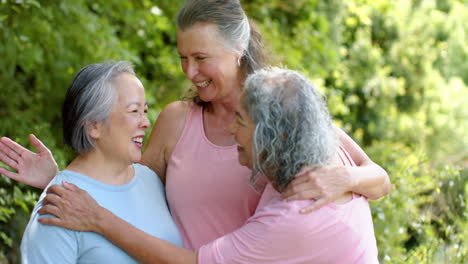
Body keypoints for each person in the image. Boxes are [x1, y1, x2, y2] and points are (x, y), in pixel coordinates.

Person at [0, 0, 390, 251]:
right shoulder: (175, 120)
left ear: (238, 51)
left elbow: (380, 180)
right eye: (183, 57)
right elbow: (128, 185)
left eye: (201, 57)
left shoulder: (283, 112)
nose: (190, 72)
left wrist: (346, 178)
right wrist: (64, 180)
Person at [36, 67, 380, 263]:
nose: (231, 130)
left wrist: (96, 217)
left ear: (274, 137)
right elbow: (380, 176)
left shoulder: (293, 218)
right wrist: (62, 180)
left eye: (241, 121)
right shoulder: (315, 138)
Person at [20, 61, 183, 263]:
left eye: (145, 111)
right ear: (94, 126)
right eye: (134, 111)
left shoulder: (150, 180)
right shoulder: (58, 205)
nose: (146, 122)